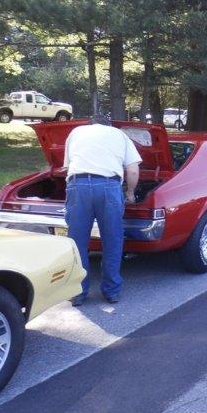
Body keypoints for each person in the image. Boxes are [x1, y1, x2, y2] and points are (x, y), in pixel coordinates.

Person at [64, 115, 142, 306]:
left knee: (77, 242)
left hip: (79, 186)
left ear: (90, 125)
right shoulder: (120, 135)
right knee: (113, 239)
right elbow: (132, 170)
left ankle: (78, 292)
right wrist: (130, 193)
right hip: (109, 187)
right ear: (109, 125)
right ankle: (111, 291)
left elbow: (67, 166)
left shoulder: (75, 133)